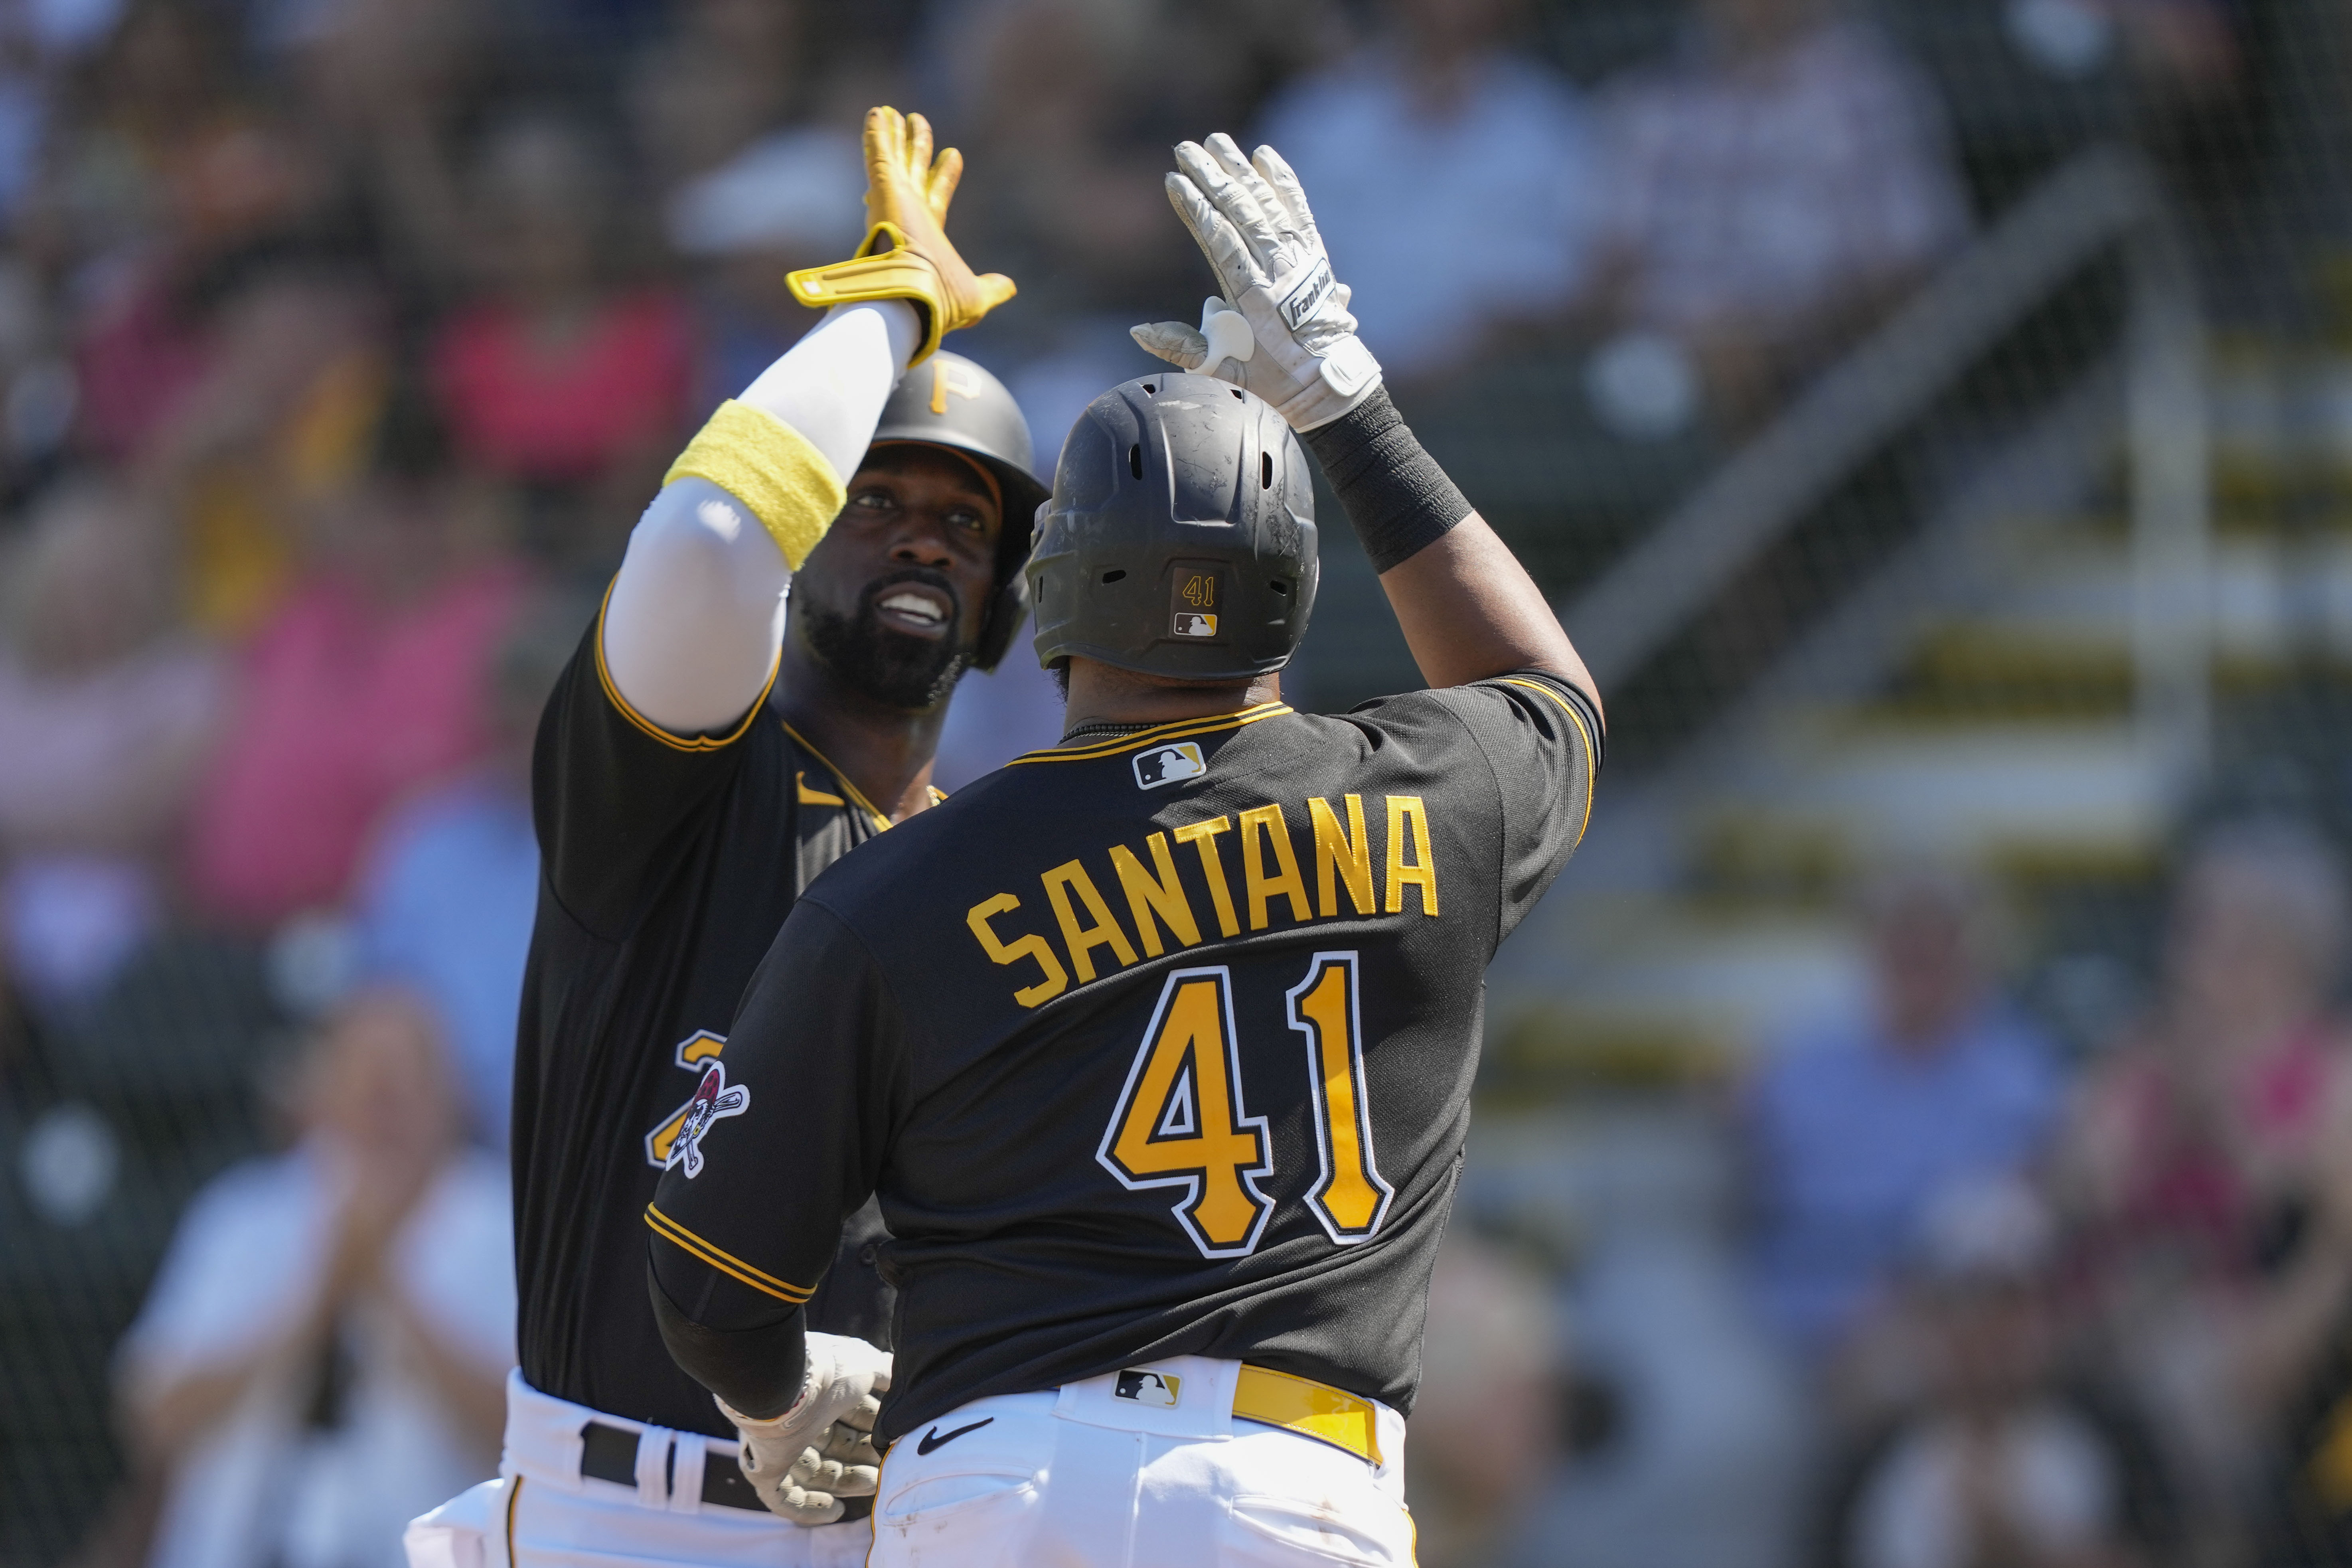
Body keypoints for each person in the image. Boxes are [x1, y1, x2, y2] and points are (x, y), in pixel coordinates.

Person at [644, 133, 1601, 1563]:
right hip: (1300, 1482)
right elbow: (1550, 696)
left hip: (1003, 1475)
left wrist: (778, 1404)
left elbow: (712, 1286)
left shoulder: (905, 883)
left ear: (1052, 604)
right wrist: (1345, 408)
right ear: (1293, 590)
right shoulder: (1436, 792)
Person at [403, 108, 1038, 1568]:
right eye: (874, 496)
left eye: (964, 516)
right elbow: (700, 544)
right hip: (615, 1516)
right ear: (811, 523)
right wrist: (888, 310)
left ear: (1004, 593)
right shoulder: (683, 781)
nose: (921, 534)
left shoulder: (1000, 887)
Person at [117, 987, 513, 1568]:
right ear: (319, 1091)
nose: (383, 1104)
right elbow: (152, 1416)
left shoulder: (504, 1225)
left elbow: (534, 1435)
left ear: (448, 1094)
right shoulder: (242, 1215)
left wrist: (389, 1289)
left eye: (401, 1083)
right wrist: (314, 1302)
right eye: (364, 1080)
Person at [1744, 867, 2065, 1359]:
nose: (1919, 950)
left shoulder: (2020, 1073)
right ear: (1870, 946)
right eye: (1901, 933)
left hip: (1952, 1318)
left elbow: (2017, 1222)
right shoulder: (1800, 1067)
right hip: (1805, 1312)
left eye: (1938, 935)